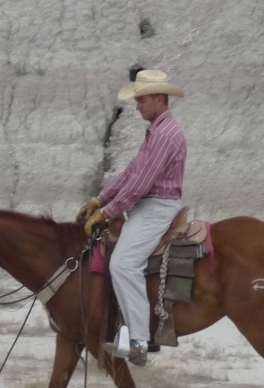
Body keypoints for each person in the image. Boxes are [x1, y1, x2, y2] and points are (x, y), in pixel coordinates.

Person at [77, 69, 187, 366]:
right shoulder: (156, 132)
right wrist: (101, 199)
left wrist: (108, 212)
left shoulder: (165, 135)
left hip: (156, 207)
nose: (137, 106)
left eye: (142, 100)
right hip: (147, 206)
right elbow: (131, 172)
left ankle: (140, 341)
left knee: (124, 264)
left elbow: (140, 184)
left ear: (159, 99)